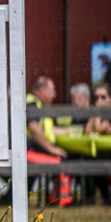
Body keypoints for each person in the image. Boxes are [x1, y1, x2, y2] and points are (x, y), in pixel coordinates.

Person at [26, 76, 70, 206]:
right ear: (42, 90)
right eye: (53, 90)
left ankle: (55, 198)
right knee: (61, 160)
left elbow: (50, 130)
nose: (55, 94)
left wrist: (76, 131)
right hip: (29, 151)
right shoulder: (32, 103)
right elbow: (34, 127)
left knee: (63, 156)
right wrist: (51, 149)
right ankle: (60, 201)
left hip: (33, 150)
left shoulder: (38, 106)